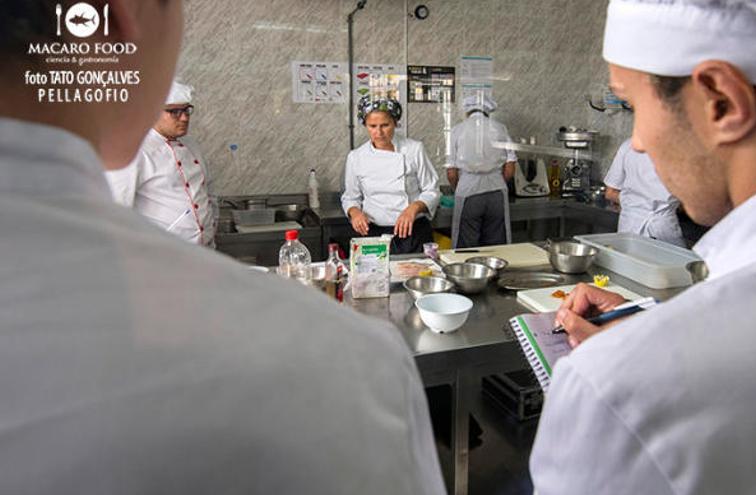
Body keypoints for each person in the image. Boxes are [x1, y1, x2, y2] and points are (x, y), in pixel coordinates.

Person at [0, 1, 444, 493]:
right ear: (125, 22)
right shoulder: (355, 366)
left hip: (401, 233)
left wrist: (414, 209)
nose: (182, 118)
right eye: (175, 110)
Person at [530, 1, 756, 494]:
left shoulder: (620, 390)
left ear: (722, 101)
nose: (640, 144)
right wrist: (660, 324)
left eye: (632, 106)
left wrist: (649, 350)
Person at [105, 81, 218, 247]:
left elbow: (208, 192)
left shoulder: (191, 145)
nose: (185, 117)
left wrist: (212, 228)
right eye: (174, 112)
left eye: (187, 110)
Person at [341, 96, 440, 254]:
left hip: (412, 232)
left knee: (415, 276)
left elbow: (432, 190)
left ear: (395, 123)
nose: (378, 132)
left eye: (385, 125)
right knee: (375, 278)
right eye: (372, 126)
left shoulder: (414, 149)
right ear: (365, 125)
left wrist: (413, 208)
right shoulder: (356, 157)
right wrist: (355, 213)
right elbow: (350, 197)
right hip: (373, 234)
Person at [446, 94, 517, 248]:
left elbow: (451, 173)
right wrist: (496, 179)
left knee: (466, 245)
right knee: (497, 245)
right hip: (497, 191)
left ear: (467, 111)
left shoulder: (457, 130)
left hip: (468, 192)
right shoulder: (500, 128)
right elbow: (510, 169)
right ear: (487, 111)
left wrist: (457, 188)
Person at [604, 138, 685, 247]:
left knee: (628, 262)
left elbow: (610, 193)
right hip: (664, 229)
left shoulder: (629, 145)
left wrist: (632, 202)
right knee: (670, 263)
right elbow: (691, 203)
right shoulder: (682, 150)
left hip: (629, 227)